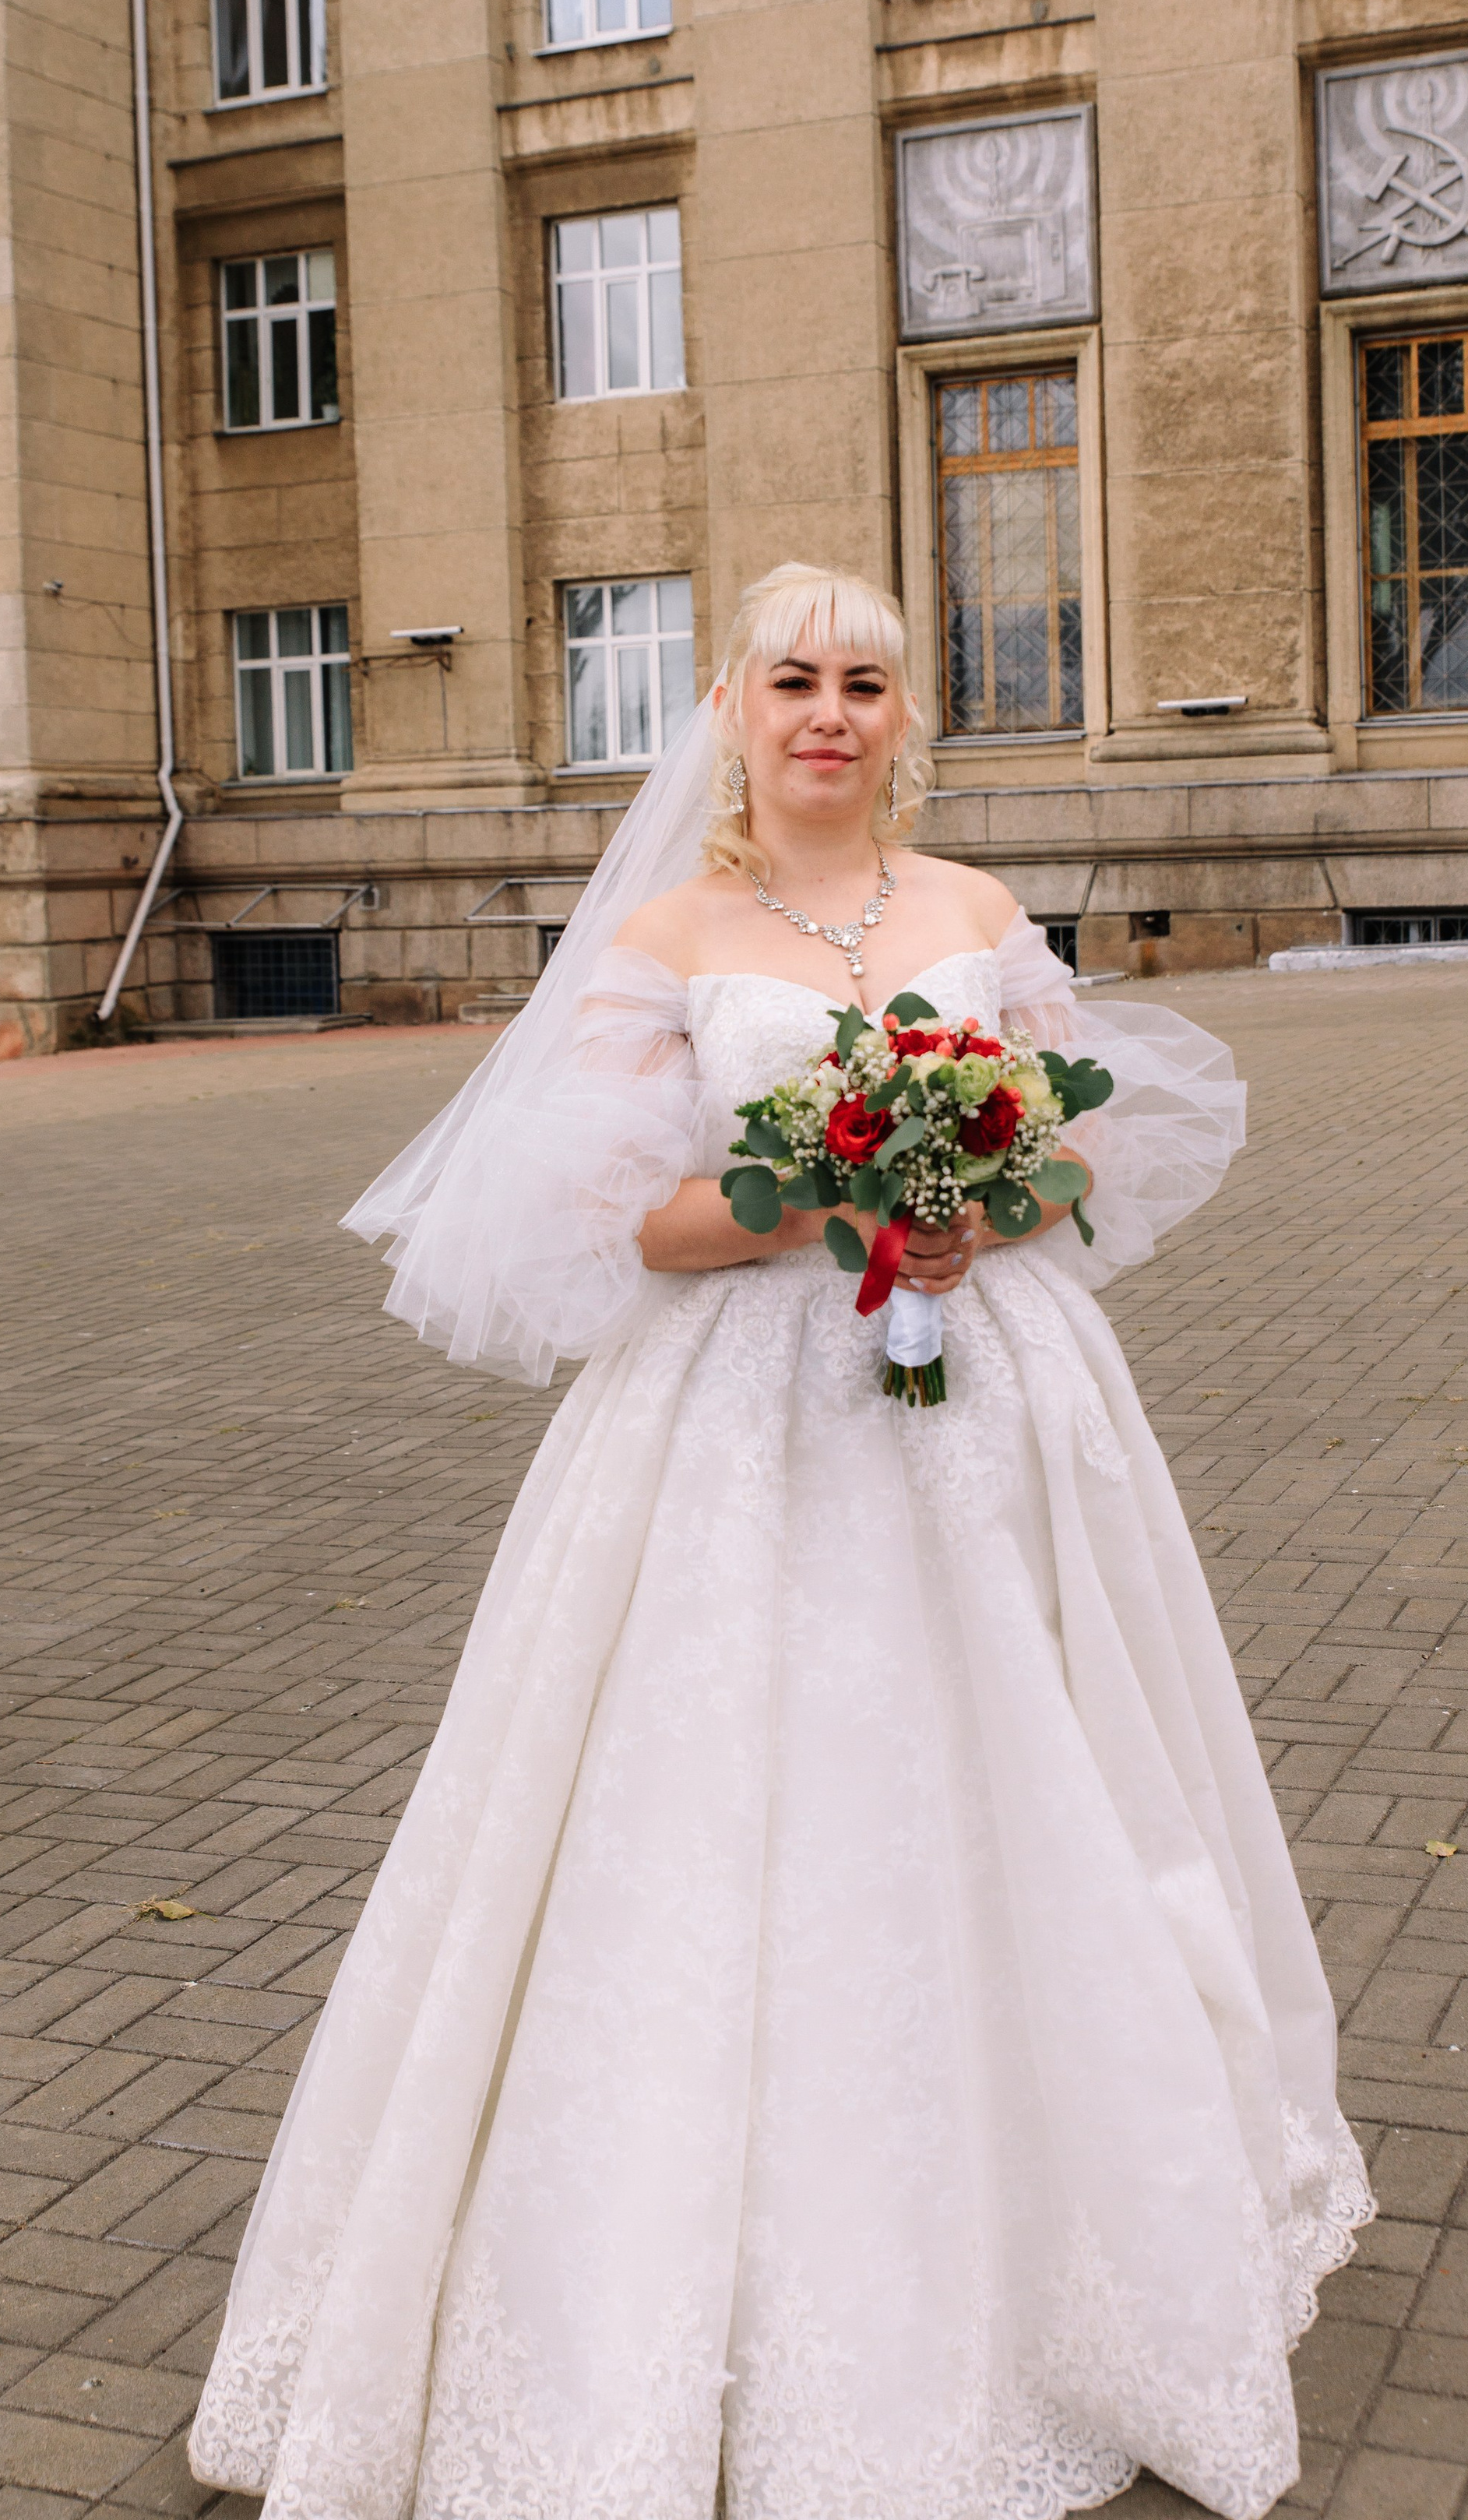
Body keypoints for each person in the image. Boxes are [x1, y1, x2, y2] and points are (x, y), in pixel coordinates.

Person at [188, 561, 1371, 2520]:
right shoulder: (661, 935)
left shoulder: (975, 916)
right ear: (732, 706)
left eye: (868, 684)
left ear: (908, 719)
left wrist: (987, 1182)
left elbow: (1074, 1140)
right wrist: (821, 1183)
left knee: (1035, 1778)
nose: (830, 714)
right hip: (737, 1427)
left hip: (987, 1410)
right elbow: (616, 1222)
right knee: (711, 1809)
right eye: (795, 680)